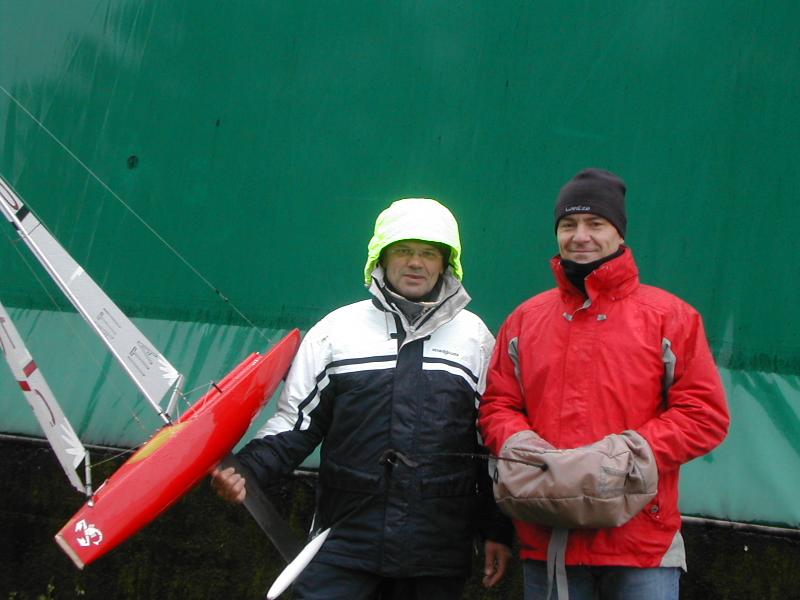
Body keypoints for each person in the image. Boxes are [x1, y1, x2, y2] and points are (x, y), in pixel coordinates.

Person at [212, 198, 513, 599]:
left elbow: (489, 444)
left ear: (446, 264)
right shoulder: (336, 331)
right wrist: (246, 471)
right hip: (344, 541)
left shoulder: (475, 339)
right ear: (381, 258)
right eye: (403, 250)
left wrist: (497, 530)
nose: (415, 263)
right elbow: (295, 425)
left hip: (436, 550)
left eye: (428, 253)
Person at [478, 169, 730, 600]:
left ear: (619, 233)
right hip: (548, 539)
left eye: (596, 223)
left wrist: (627, 454)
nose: (581, 236)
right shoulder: (525, 319)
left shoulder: (671, 318)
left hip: (641, 545)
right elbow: (497, 405)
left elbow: (704, 415)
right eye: (568, 225)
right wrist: (524, 447)